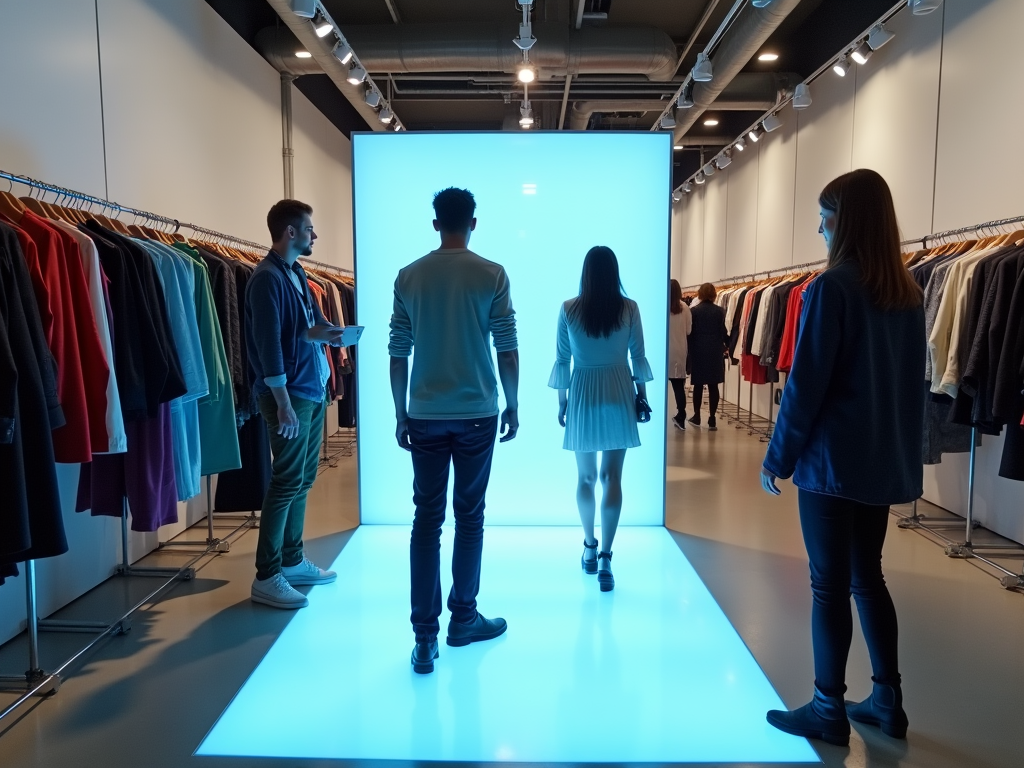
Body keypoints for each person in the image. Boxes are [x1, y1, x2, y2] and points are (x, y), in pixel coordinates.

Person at [760, 169, 925, 746]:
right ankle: (887, 699)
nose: (821, 226)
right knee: (867, 577)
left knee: (828, 585)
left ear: (846, 220)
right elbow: (909, 387)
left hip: (831, 465)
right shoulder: (906, 292)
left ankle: (828, 708)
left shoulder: (833, 288)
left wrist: (777, 457)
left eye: (827, 214)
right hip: (877, 463)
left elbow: (807, 385)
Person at [389, 187, 519, 675]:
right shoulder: (492, 273)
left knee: (426, 520)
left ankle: (425, 638)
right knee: (469, 517)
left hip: (424, 411)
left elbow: (397, 350)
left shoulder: (409, 275)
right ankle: (462, 619)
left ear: (435, 223)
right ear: (474, 223)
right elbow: (506, 346)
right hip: (477, 411)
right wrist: (514, 403)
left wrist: (400, 412)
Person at [245, 199, 352, 609]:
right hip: (289, 395)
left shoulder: (294, 272)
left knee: (303, 480)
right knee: (286, 481)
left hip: (308, 389)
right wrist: (282, 402)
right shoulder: (266, 279)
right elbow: (267, 346)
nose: (314, 235)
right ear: (290, 232)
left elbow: (299, 331)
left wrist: (329, 333)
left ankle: (291, 560)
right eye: (309, 229)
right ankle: (267, 574)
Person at [550, 246, 653, 592]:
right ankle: (607, 556)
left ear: (586, 273)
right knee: (612, 478)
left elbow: (562, 360)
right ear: (614, 272)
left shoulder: (568, 309)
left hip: (582, 393)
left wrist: (562, 404)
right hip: (618, 391)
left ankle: (589, 549)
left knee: (585, 478)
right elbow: (638, 357)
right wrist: (643, 399)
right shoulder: (629, 308)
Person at [687, 283, 728, 431]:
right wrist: (728, 345)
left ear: (700, 294)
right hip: (715, 350)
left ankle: (697, 416)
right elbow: (723, 331)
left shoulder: (694, 311)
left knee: (698, 385)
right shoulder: (720, 311)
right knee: (713, 385)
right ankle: (712, 418)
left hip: (698, 350)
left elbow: (690, 333)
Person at [668, 278, 693, 430]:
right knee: (678, 387)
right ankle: (681, 415)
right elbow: (689, 330)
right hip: (680, 351)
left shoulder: (661, 305)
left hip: (664, 352)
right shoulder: (685, 307)